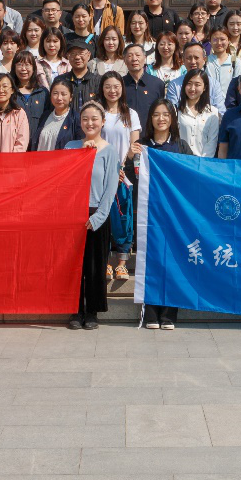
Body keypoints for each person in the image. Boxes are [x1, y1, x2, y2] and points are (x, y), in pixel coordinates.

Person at [139, 98, 193, 330]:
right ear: (150, 119)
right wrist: (130, 158)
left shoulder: (181, 146)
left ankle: (169, 314)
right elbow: (130, 177)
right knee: (151, 261)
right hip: (148, 213)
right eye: (156, 114)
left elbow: (193, 175)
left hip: (174, 214)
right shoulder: (141, 145)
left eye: (165, 114)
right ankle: (151, 312)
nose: (161, 119)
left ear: (172, 119)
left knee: (173, 261)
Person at [65, 102, 119, 330]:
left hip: (96, 214)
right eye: (85, 119)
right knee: (73, 266)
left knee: (95, 267)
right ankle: (75, 310)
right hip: (73, 215)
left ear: (103, 122)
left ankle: (92, 312)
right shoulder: (70, 147)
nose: (90, 123)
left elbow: (110, 188)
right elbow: (65, 179)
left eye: (94, 119)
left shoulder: (110, 151)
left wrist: (98, 218)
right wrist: (82, 155)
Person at [97, 71, 141, 281]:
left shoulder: (130, 114)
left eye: (116, 86)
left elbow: (135, 145)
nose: (112, 91)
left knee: (124, 219)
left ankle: (122, 264)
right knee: (104, 219)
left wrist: (121, 166)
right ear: (102, 89)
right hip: (100, 176)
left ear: (122, 89)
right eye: (107, 86)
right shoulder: (97, 112)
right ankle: (105, 262)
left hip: (123, 175)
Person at [177, 67, 220, 157]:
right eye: (189, 84)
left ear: (204, 87)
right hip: (181, 160)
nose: (192, 88)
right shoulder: (177, 110)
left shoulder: (212, 112)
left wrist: (202, 161)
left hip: (203, 161)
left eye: (197, 84)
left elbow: (212, 141)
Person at [10, 51, 49, 148]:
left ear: (34, 68)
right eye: (19, 65)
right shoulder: (9, 92)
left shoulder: (43, 92)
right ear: (14, 67)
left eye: (27, 65)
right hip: (14, 145)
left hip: (37, 145)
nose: (23, 69)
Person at [53, 41, 101, 114]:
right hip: (66, 120)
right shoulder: (60, 80)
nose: (77, 57)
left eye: (81, 53)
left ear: (89, 55)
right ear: (67, 56)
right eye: (73, 53)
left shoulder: (98, 80)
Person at [121, 44, 165, 121]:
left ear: (144, 58)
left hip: (149, 128)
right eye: (130, 56)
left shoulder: (157, 84)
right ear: (124, 60)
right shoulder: (120, 84)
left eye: (138, 55)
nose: (134, 59)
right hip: (125, 127)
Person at [36, 79, 82, 151]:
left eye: (63, 94)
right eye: (55, 93)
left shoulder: (76, 119)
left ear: (71, 97)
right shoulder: (45, 116)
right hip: (40, 158)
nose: (59, 98)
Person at [204, 29, 239, 114]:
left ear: (228, 40)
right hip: (208, 108)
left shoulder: (235, 62)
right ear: (210, 41)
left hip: (231, 108)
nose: (219, 43)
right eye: (215, 39)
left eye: (222, 39)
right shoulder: (205, 62)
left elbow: (238, 86)